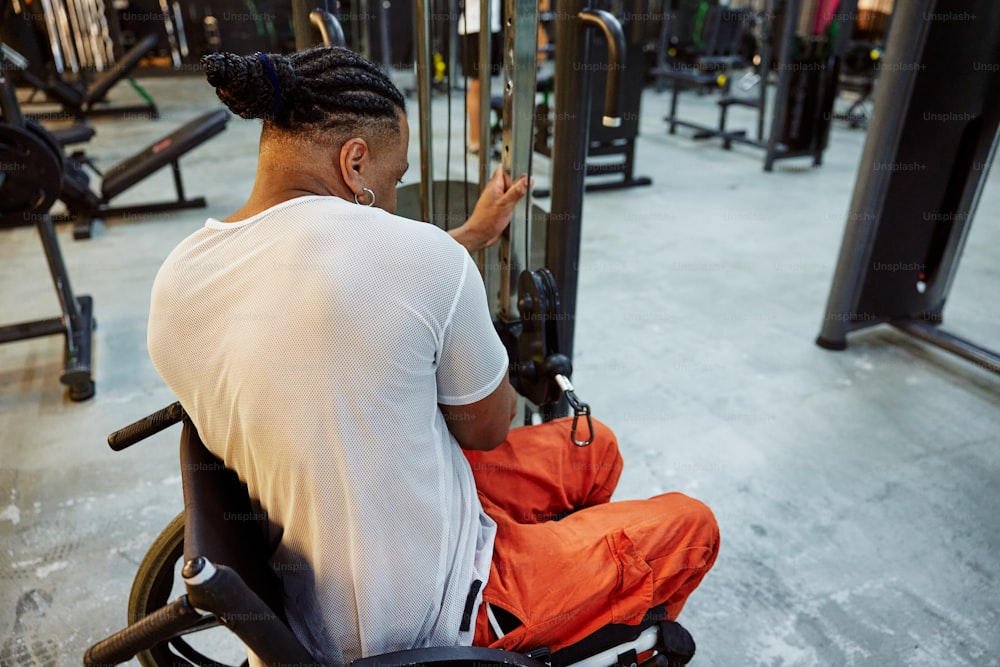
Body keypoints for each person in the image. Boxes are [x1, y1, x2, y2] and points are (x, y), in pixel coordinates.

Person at [147, 46, 719, 667]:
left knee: (595, 447)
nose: (393, 200)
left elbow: (333, 288)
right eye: (394, 179)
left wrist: (470, 239)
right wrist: (470, 314)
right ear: (355, 160)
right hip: (435, 613)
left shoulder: (180, 276)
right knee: (693, 525)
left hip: (325, 566)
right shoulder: (421, 259)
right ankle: (579, 621)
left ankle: (571, 568)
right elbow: (487, 427)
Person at [458, 0, 502, 154]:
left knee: (485, 85)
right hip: (475, 28)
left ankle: (482, 138)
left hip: (493, 25)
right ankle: (475, 141)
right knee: (477, 85)